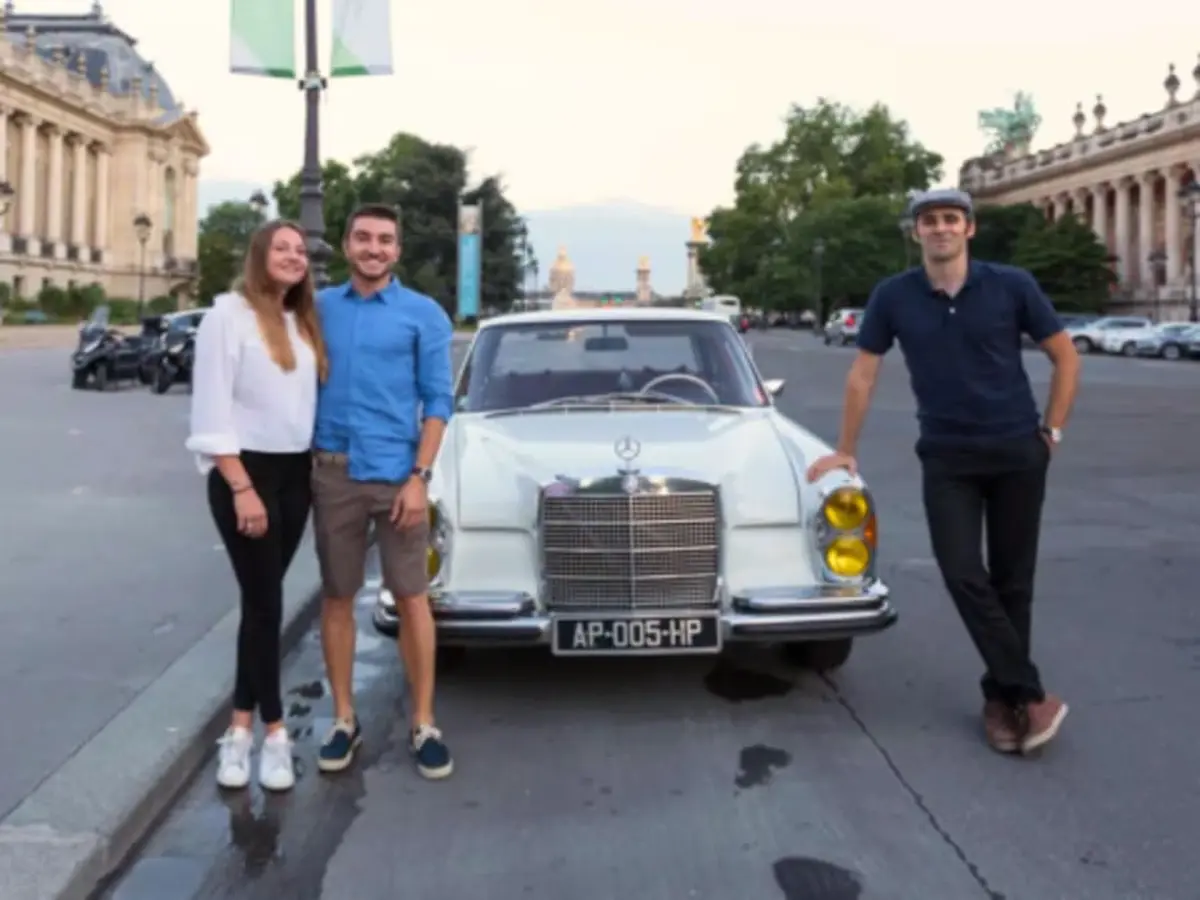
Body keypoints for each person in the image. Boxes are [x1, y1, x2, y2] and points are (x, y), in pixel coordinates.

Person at [806, 188, 1081, 756]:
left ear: (969, 229)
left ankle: (1002, 700)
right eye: (929, 221)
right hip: (948, 456)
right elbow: (863, 374)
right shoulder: (894, 296)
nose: (940, 229)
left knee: (1013, 582)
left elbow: (1065, 355)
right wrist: (845, 449)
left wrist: (1052, 431)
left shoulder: (1012, 285)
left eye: (951, 219)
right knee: (961, 572)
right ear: (917, 233)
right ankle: (1029, 692)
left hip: (1016, 452)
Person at [311, 203, 455, 780]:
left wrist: (419, 478)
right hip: (334, 474)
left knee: (413, 598)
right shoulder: (316, 310)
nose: (374, 248)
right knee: (338, 596)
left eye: (385, 240)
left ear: (397, 251)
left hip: (400, 478)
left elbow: (439, 402)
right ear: (347, 245)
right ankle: (344, 719)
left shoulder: (423, 315)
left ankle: (424, 723)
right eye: (364, 238)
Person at [186, 219, 327, 791]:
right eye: (282, 248)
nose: (295, 257)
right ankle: (273, 734)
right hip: (246, 474)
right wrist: (241, 486)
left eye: (301, 250)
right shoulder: (228, 316)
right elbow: (211, 410)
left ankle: (237, 727)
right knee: (266, 605)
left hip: (296, 474)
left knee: (261, 604)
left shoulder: (302, 322)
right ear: (260, 255)